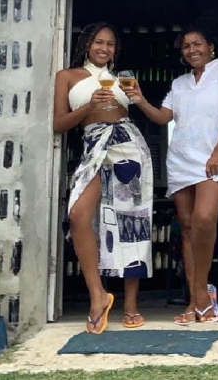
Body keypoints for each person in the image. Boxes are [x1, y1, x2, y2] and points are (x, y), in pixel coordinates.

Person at [125, 24, 218, 324]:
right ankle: (195, 302)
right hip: (181, 162)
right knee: (188, 230)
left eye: (197, 43)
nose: (192, 50)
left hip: (212, 159)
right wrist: (140, 99)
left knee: (205, 218)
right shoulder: (179, 84)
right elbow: (164, 117)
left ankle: (203, 293)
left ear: (210, 46)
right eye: (186, 47)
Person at [53, 22, 153, 334]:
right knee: (79, 215)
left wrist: (138, 97)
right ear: (86, 44)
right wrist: (87, 106)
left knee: (130, 221)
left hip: (128, 146)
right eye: (98, 42)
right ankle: (98, 296)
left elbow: (141, 111)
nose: (104, 48)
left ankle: (131, 303)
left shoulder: (123, 79)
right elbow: (59, 125)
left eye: (110, 44)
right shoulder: (68, 76)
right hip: (93, 145)